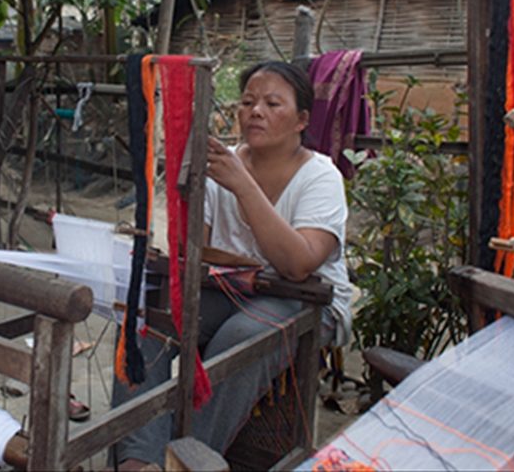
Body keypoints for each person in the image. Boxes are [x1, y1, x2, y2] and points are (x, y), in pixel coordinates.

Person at [111, 61, 353, 469]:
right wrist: (187, 186)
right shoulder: (220, 165)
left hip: (301, 297)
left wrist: (242, 184)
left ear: (301, 120)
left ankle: (186, 460)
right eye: (247, 102)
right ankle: (139, 460)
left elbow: (298, 265)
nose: (255, 111)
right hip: (228, 288)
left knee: (239, 340)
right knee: (144, 320)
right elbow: (196, 251)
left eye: (272, 103)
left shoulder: (320, 177)